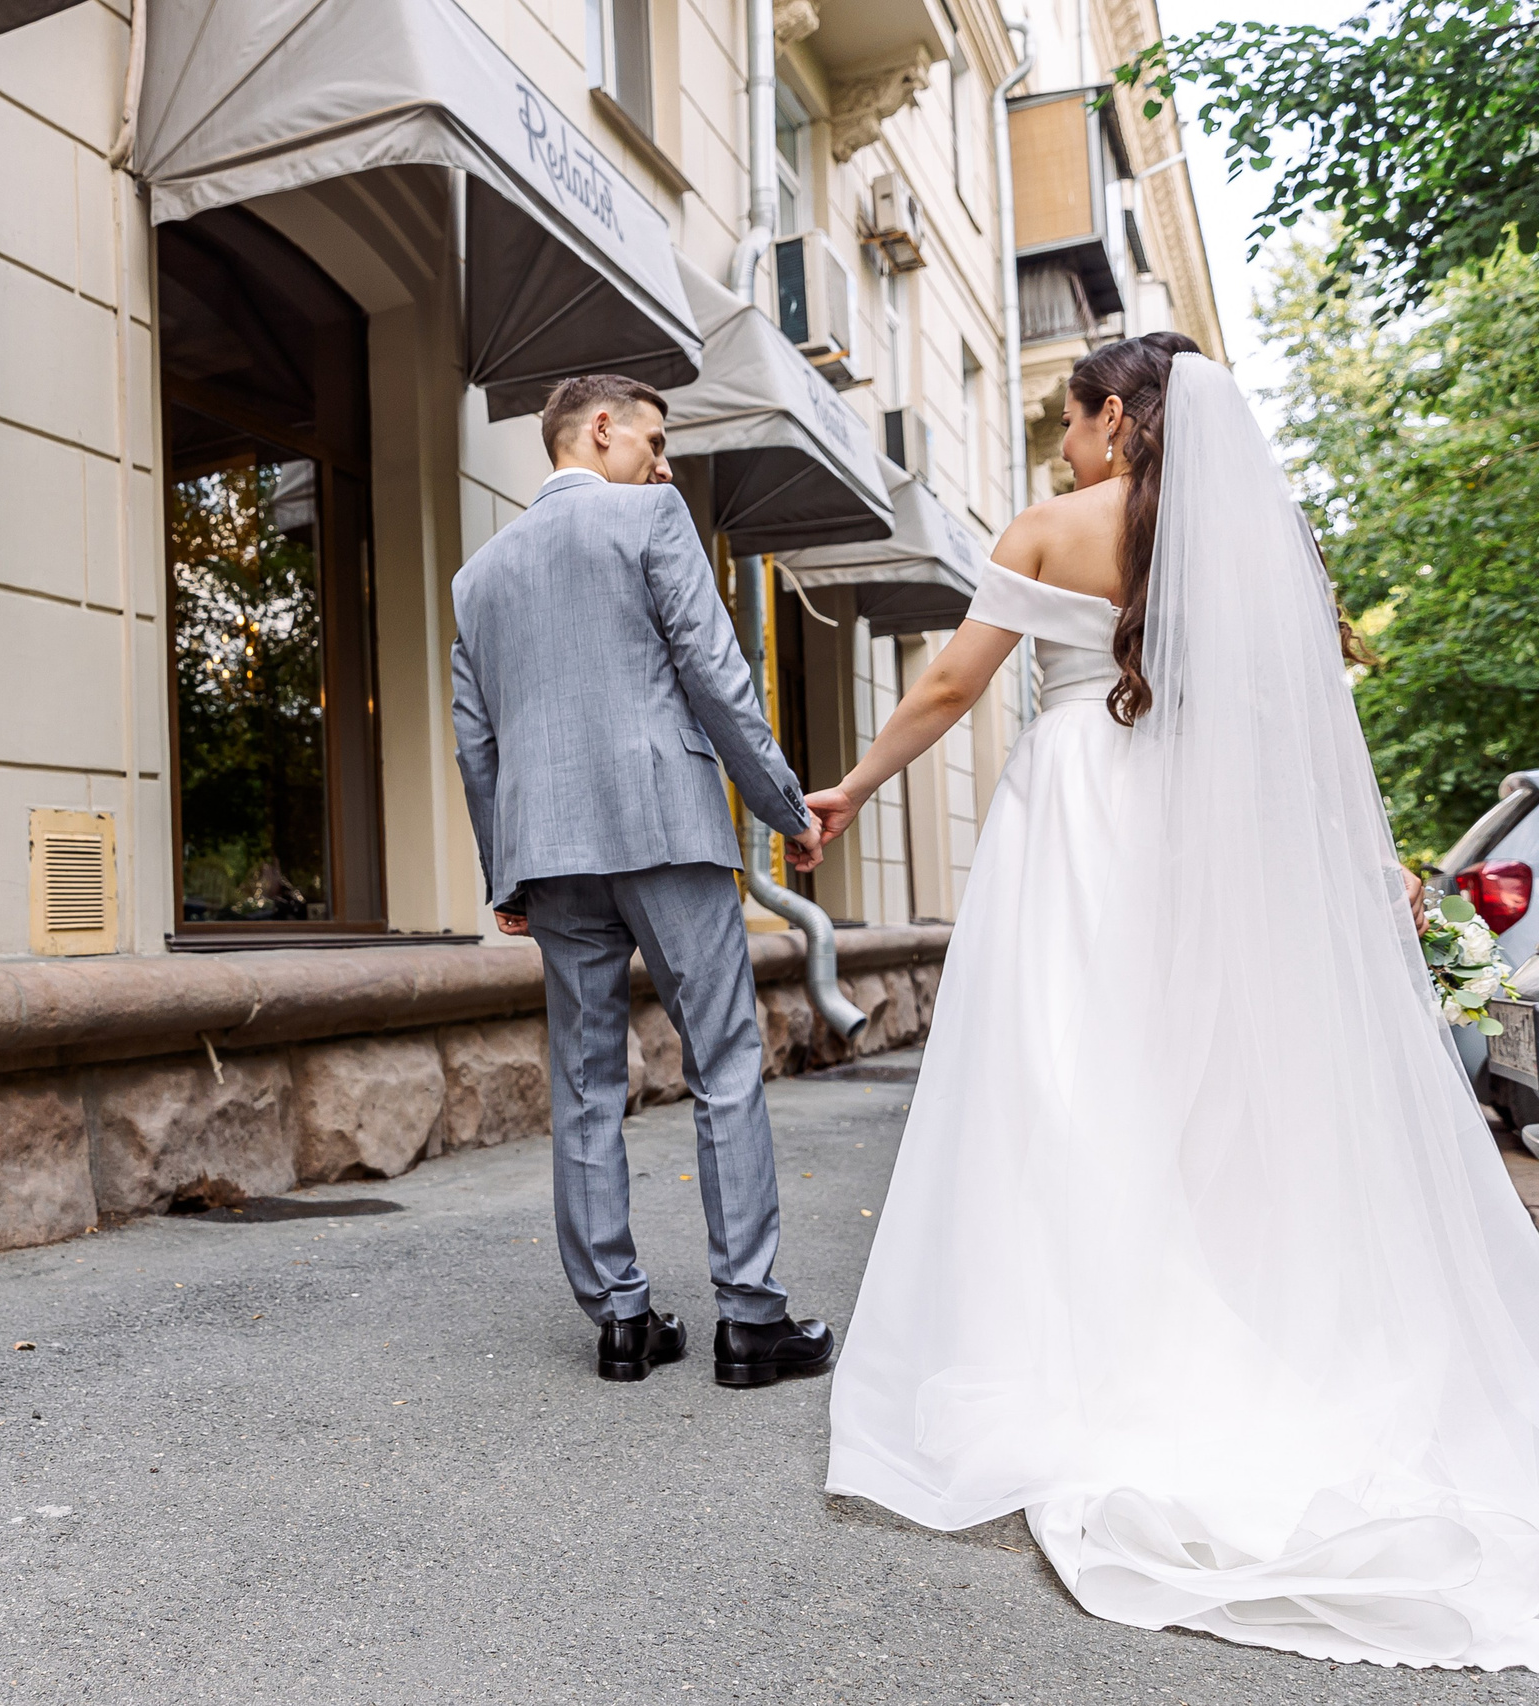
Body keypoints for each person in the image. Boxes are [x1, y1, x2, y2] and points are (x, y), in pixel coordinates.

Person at [813, 336, 1539, 1668]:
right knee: (1187, 1081)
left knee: (1068, 1071)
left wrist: (851, 787)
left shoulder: (1049, 527)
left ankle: (1086, 1334)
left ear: (1115, 419)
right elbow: (1293, 712)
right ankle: (1212, 1310)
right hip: (1191, 834)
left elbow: (949, 682)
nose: (1066, 445)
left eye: (1074, 421)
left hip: (1076, 823)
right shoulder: (1239, 546)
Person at [450, 372, 830, 1386]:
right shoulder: (649, 517)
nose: (663, 465)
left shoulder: (475, 577)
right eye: (653, 439)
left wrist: (506, 873)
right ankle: (748, 1319)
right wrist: (786, 807)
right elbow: (716, 672)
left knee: (582, 1084)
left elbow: (474, 743)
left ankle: (621, 1321)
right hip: (664, 827)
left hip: (549, 851)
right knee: (724, 1063)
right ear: (600, 428)